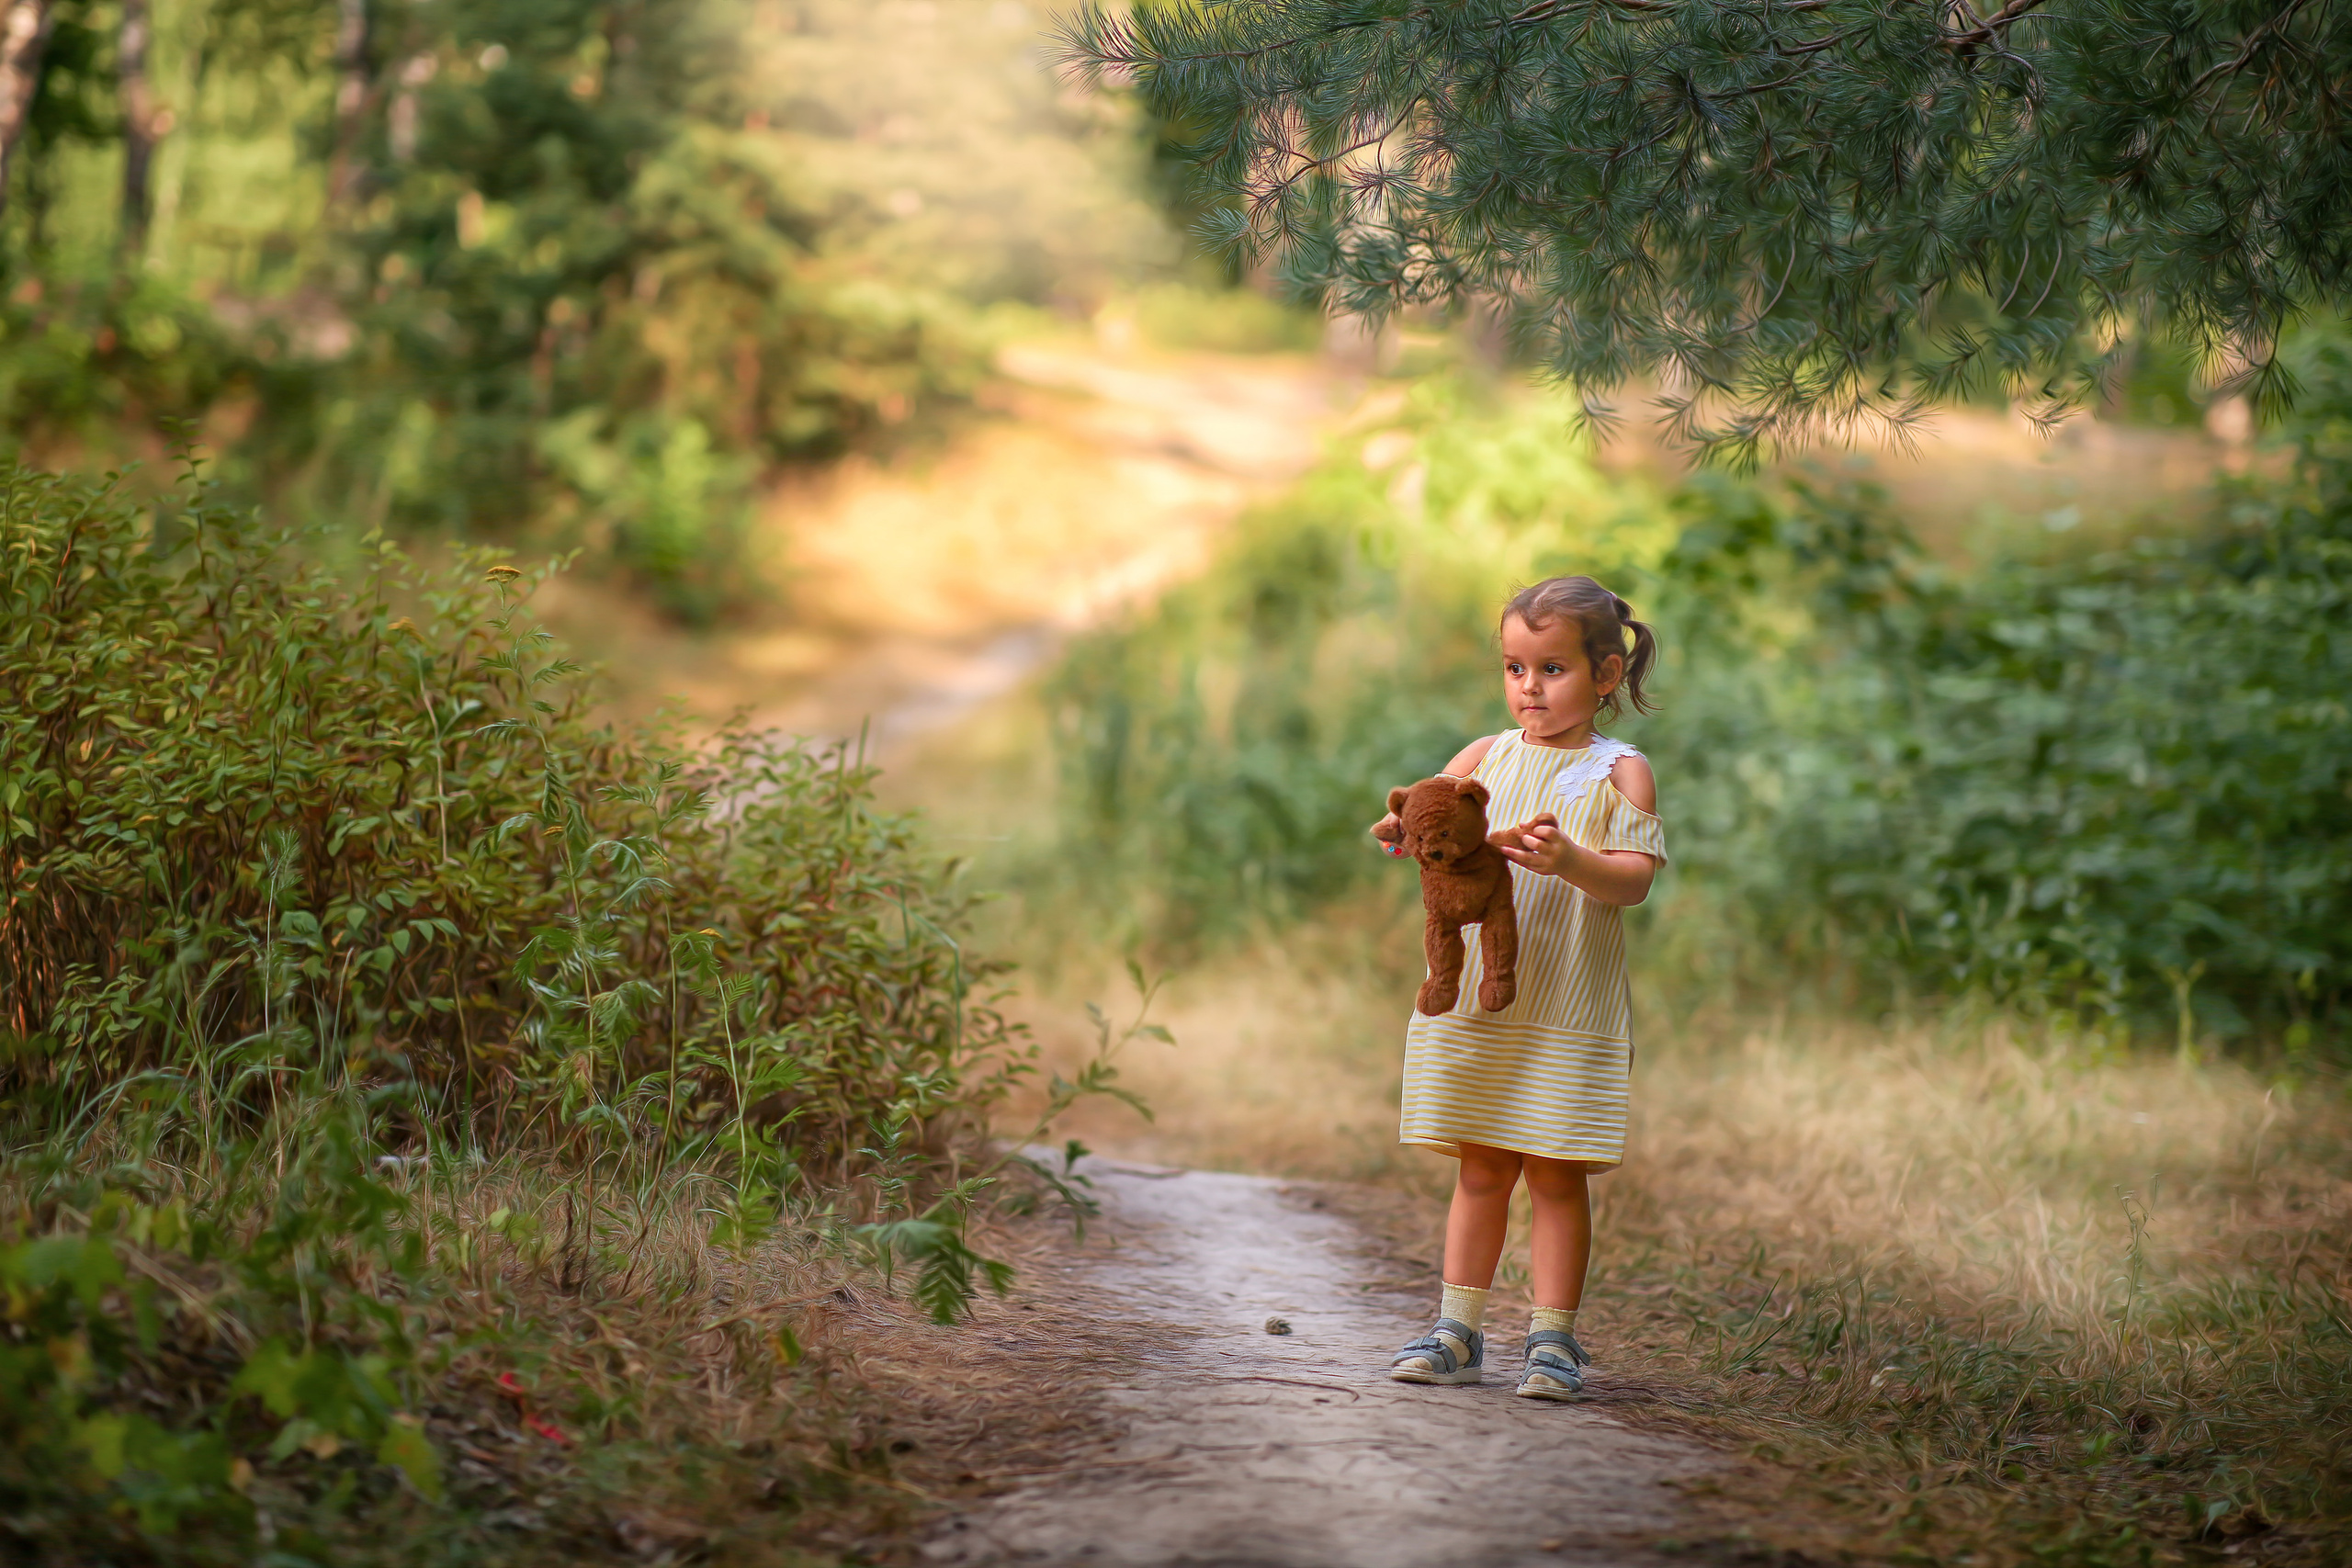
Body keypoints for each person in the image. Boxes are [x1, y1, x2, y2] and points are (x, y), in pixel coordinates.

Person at [1368, 576, 1665, 1400]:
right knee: (1482, 1165)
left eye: (1553, 668)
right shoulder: (1484, 757)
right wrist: (1395, 831)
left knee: (1556, 1171)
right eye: (1514, 667)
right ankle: (1456, 1326)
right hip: (1480, 1006)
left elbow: (1633, 882)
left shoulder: (1620, 772)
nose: (1529, 687)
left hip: (1566, 1003)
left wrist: (1572, 859)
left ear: (1606, 675)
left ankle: (1553, 1337)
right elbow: (1424, 822)